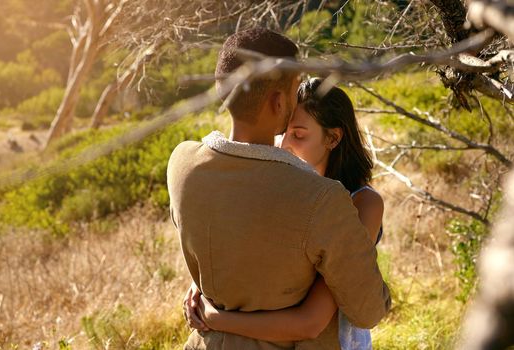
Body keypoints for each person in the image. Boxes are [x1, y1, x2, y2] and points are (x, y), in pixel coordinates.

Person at [166, 27, 391, 349]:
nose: (287, 140)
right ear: (278, 101)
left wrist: (211, 307)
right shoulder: (321, 200)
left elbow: (228, 240)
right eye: (294, 87)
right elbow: (366, 309)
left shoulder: (181, 162)